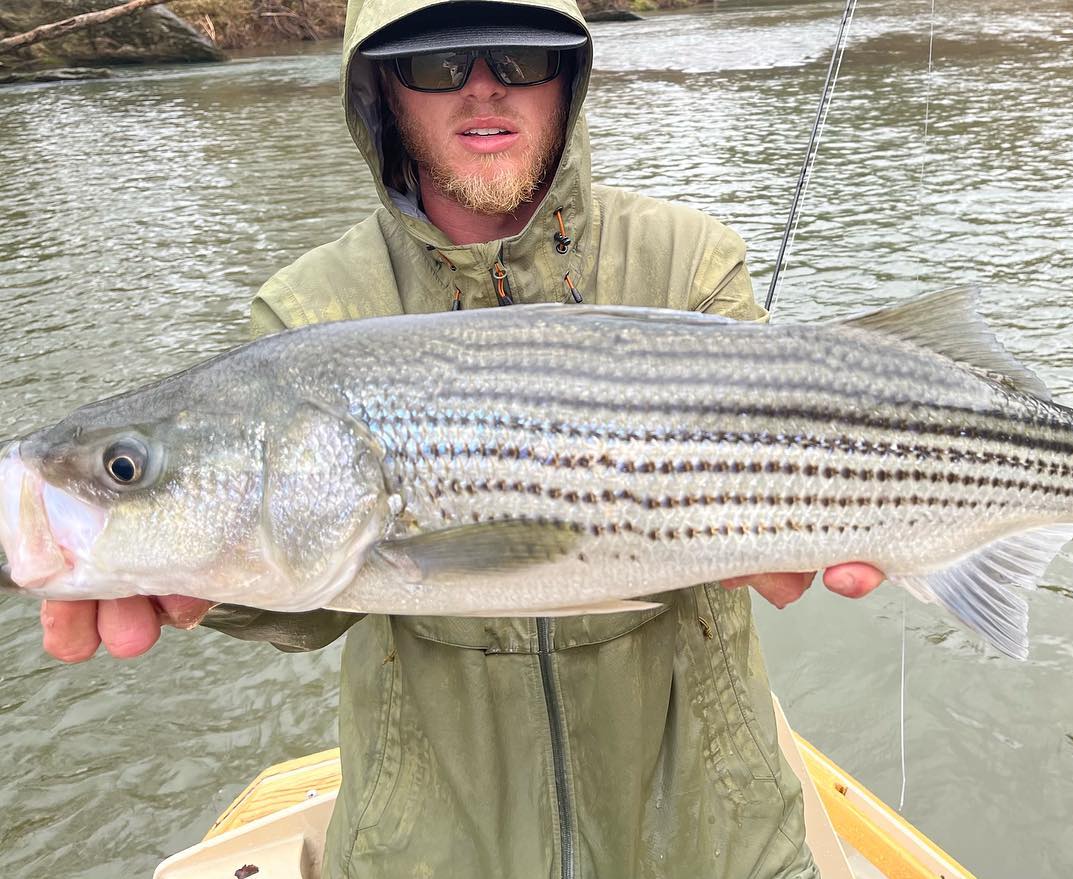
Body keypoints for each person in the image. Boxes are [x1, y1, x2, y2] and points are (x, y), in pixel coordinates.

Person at [38, 1, 887, 876]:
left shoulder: (690, 259)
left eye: (520, 58)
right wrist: (204, 581)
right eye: (438, 64)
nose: (483, 86)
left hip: (710, 832)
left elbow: (790, 459)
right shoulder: (306, 309)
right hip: (435, 846)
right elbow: (310, 590)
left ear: (568, 77)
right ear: (382, 89)